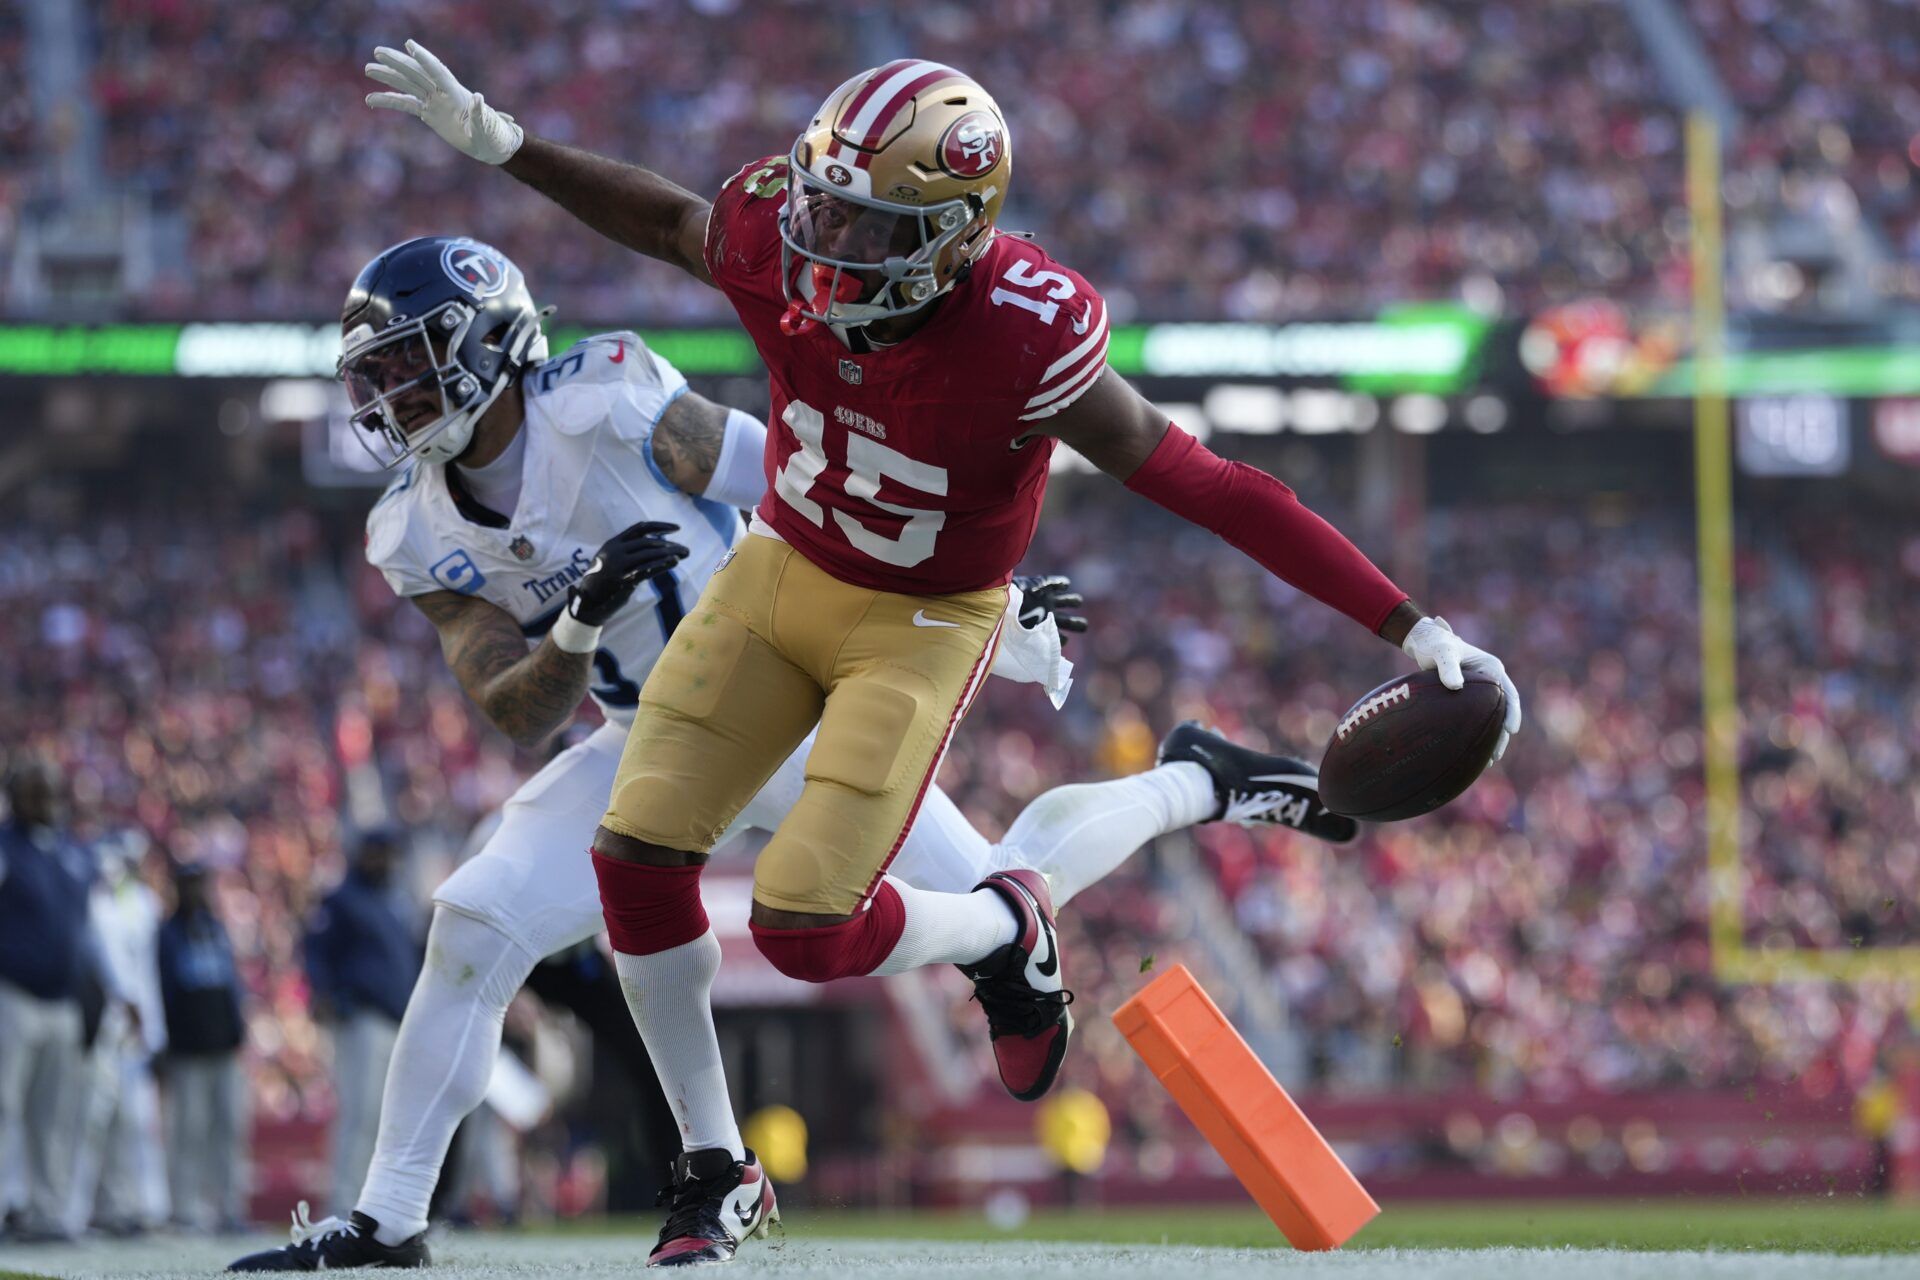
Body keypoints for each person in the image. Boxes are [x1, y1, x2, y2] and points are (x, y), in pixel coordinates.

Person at [363, 45, 1527, 1266]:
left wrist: (1407, 621)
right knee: (632, 864)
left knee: (814, 928)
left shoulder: (1028, 334)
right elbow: (671, 220)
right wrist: (506, 145)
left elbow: (1209, 482)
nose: (815, 245)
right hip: (776, 578)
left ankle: (1042, 899)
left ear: (950, 238)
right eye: (817, 204)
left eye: (858, 228)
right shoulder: (778, 240)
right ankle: (716, 1170)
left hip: (918, 620)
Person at [228, 235, 1352, 1271]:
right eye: (375, 377)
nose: (387, 398)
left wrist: (980, 591)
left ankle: (1192, 778)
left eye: (410, 367)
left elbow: (808, 477)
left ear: (486, 343)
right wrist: (575, 623)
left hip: (795, 700)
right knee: (474, 919)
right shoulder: (411, 527)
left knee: (1010, 883)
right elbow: (516, 708)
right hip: (648, 736)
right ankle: (395, 1220)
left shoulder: (605, 399)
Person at [0, 757, 96, 1243]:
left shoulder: (71, 851)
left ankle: (47, 1211)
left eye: (50, 791)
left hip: (63, 1001)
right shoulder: (4, 847)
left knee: (55, 1115)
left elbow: (83, 931)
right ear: (12, 795)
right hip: (12, 993)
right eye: (34, 791)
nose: (44, 802)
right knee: (2, 1104)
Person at [305, 831, 424, 1216]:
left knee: (388, 1120)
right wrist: (325, 994)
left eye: (389, 854)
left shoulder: (394, 901)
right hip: (362, 1018)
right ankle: (344, 1202)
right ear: (363, 854)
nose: (385, 862)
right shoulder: (342, 899)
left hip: (396, 1020)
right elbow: (316, 952)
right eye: (378, 854)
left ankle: (377, 1203)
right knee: (360, 1113)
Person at [70, 828, 170, 1237]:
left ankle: (134, 1206)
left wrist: (155, 1030)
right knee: (91, 1118)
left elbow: (148, 976)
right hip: (103, 1023)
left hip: (135, 1028)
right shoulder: (93, 902)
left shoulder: (144, 903)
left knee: (136, 1119)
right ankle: (73, 1212)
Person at [157, 862, 249, 1234]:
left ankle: (229, 1209)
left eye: (200, 884)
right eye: (188, 885)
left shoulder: (215, 929)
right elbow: (163, 989)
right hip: (187, 1050)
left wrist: (237, 1029)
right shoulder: (168, 934)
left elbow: (231, 986)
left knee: (229, 1130)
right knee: (188, 1132)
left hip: (224, 1048)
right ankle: (185, 1209)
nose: (195, 892)